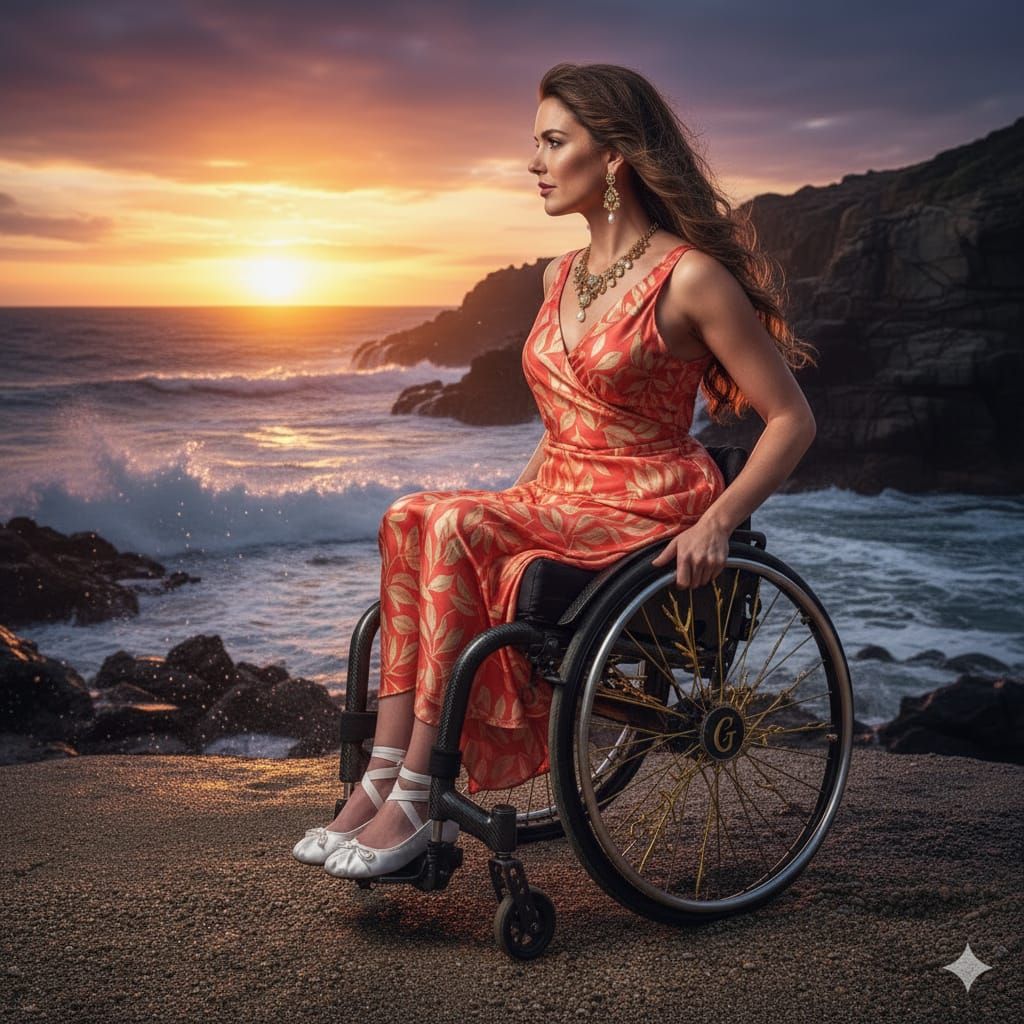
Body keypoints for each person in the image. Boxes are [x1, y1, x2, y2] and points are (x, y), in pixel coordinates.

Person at [292, 61, 817, 879]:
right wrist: (509, 503)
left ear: (612, 158)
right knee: (410, 515)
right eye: (534, 143)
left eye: (552, 142)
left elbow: (792, 419)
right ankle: (382, 778)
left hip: (649, 500)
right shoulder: (558, 275)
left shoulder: (690, 277)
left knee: (460, 523)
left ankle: (420, 797)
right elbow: (560, 421)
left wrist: (717, 522)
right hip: (562, 489)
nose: (533, 162)